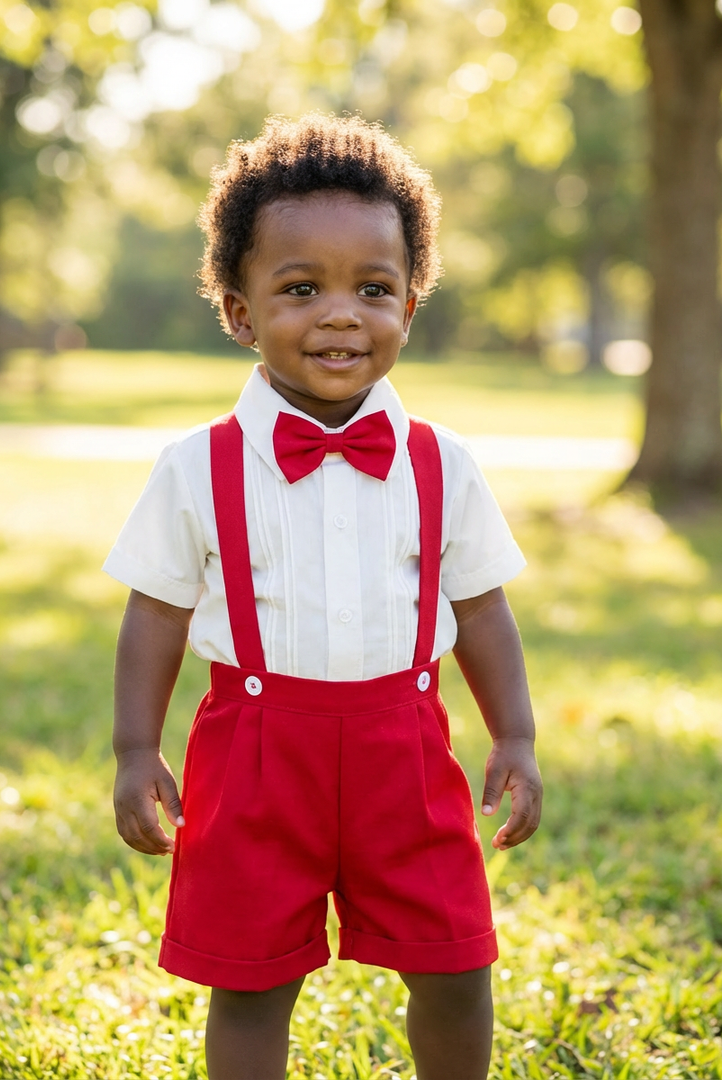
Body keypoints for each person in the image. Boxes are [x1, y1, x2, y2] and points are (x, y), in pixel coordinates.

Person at [104, 113, 543, 1080]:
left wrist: (514, 734)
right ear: (239, 311)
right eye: (301, 289)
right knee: (252, 982)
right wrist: (137, 748)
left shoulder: (442, 463)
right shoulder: (196, 466)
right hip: (255, 758)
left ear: (410, 307)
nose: (341, 315)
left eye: (373, 290)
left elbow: (481, 608)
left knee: (456, 965)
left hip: (406, 751)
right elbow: (156, 612)